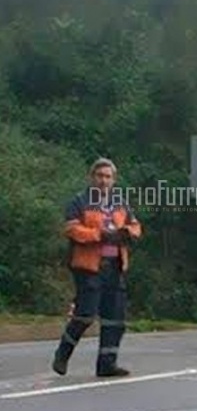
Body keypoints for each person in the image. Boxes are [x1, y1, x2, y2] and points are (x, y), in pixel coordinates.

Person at [52, 157, 142, 377]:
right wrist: (99, 235)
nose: (104, 181)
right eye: (100, 176)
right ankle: (62, 354)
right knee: (85, 314)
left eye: (108, 177)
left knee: (115, 318)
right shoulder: (80, 201)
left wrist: (127, 233)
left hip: (115, 265)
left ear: (114, 180)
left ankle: (107, 364)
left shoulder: (120, 201)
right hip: (89, 266)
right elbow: (72, 230)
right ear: (92, 177)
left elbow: (136, 226)